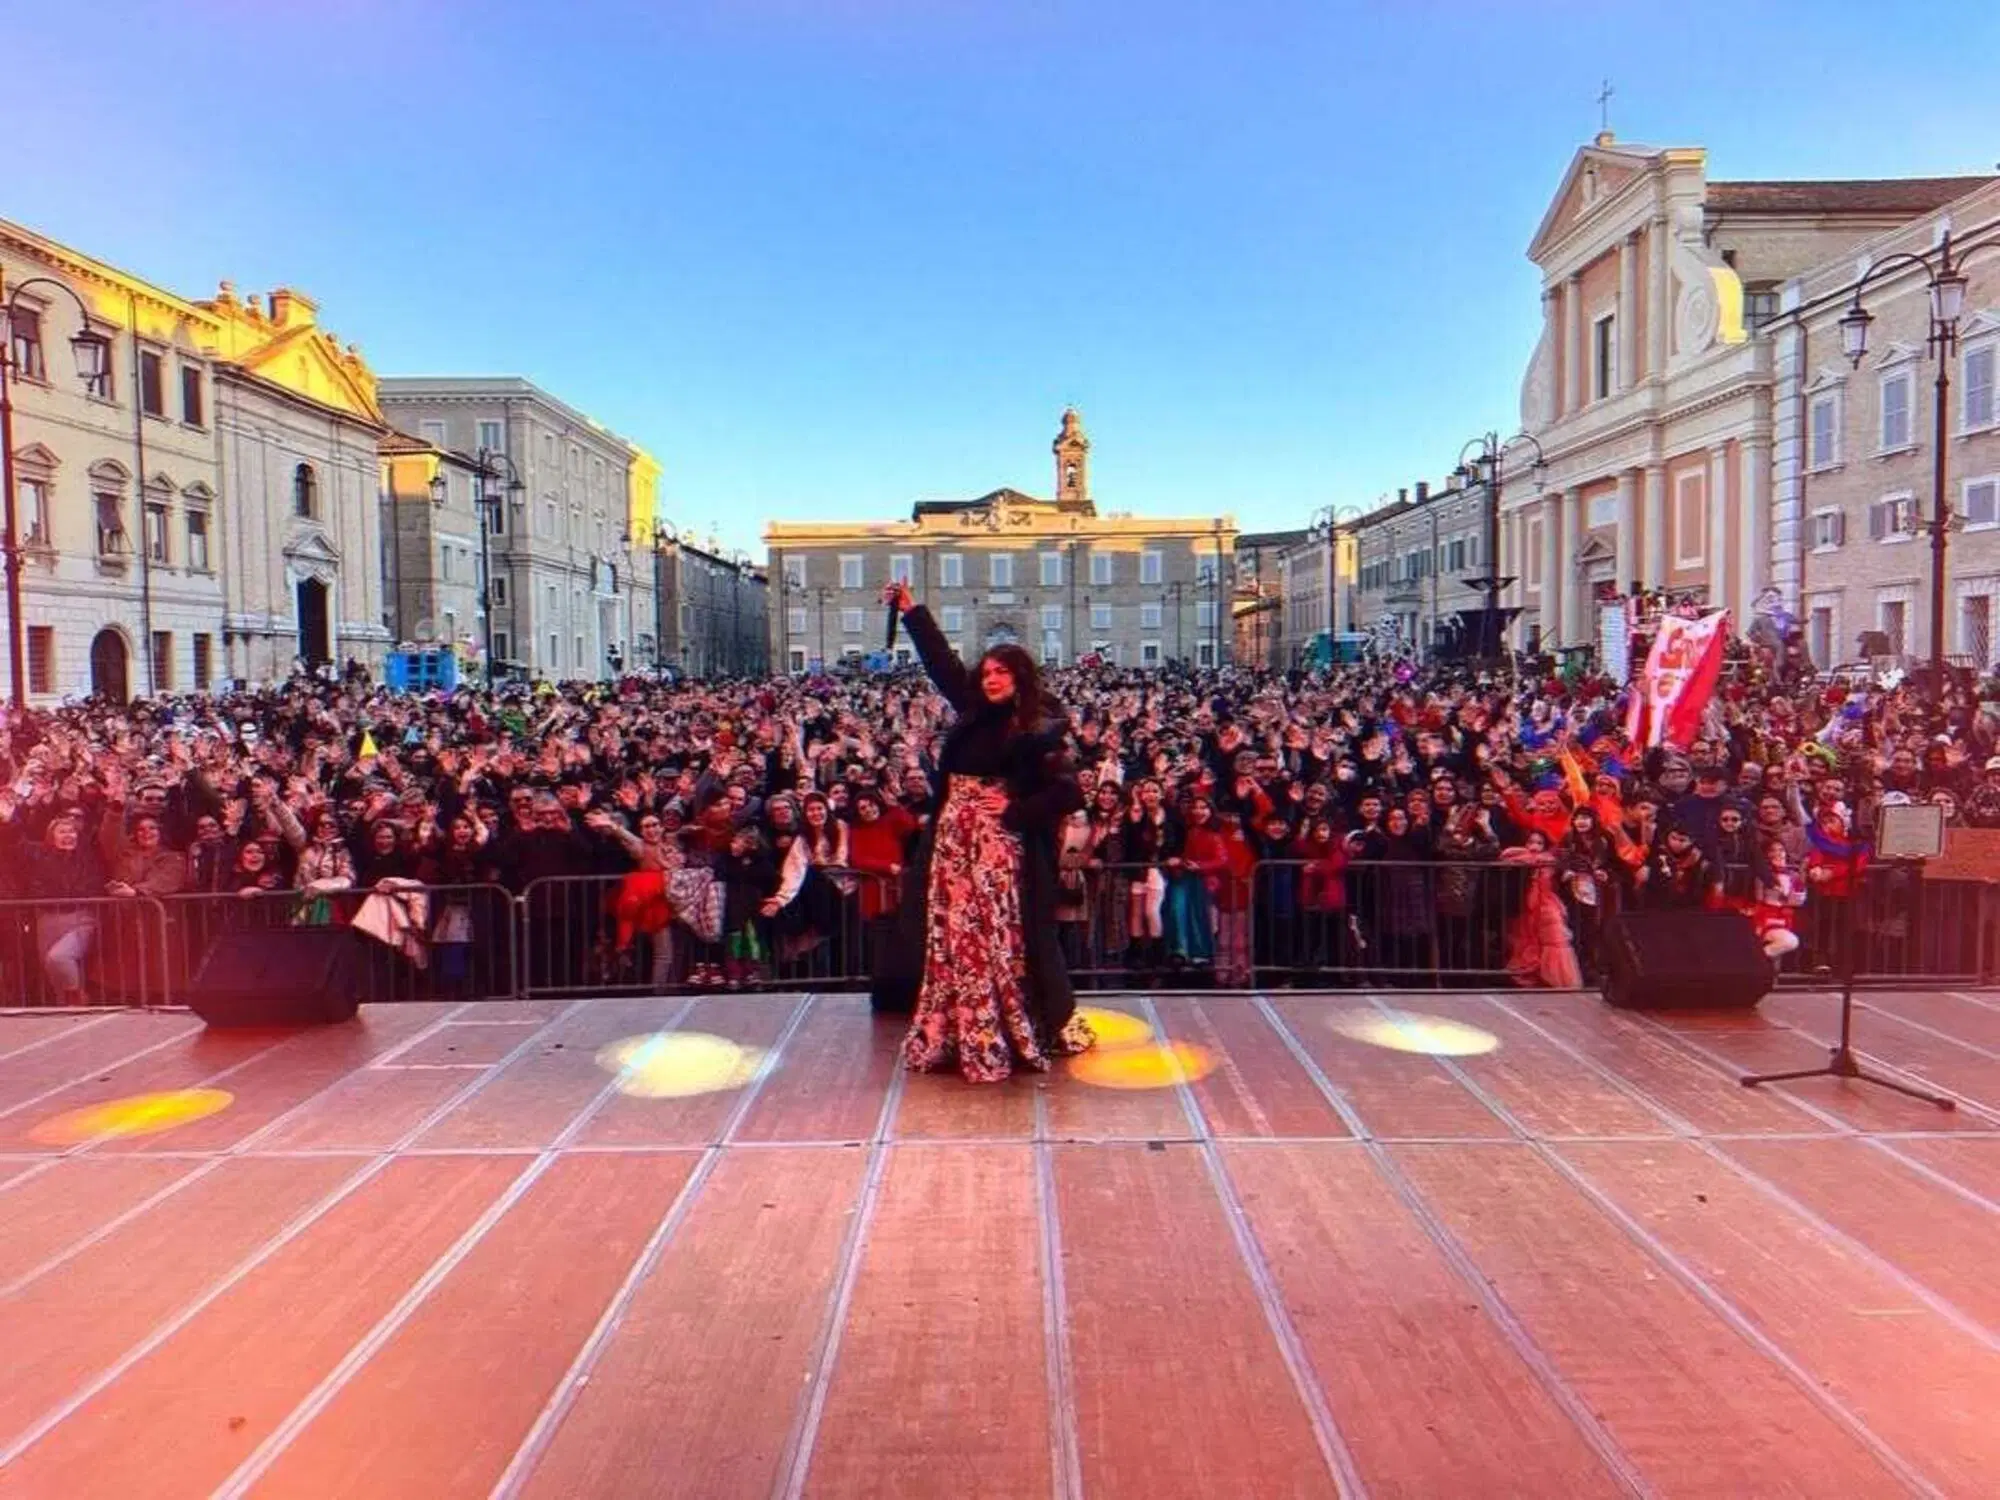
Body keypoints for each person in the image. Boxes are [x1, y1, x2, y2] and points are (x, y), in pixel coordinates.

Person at [873, 580, 1095, 1082]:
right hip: (954, 842)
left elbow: (1070, 793)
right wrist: (913, 612)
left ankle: (1005, 1029)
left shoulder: (1040, 727)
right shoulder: (973, 712)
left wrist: (1014, 807)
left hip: (997, 845)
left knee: (994, 936)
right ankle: (961, 1028)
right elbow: (942, 666)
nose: (992, 679)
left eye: (1002, 672)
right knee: (953, 935)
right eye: (988, 671)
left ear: (1021, 678)